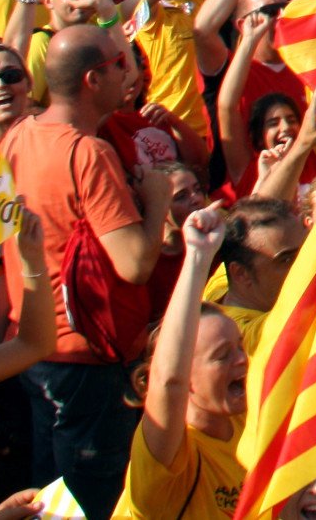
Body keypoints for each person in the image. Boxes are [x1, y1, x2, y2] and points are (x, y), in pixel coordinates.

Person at [8, 24, 174, 519]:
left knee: (49, 501)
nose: (130, 71)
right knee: (89, 504)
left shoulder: (20, 134)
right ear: (91, 79)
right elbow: (135, 263)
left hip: (35, 349)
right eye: (119, 64)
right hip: (88, 360)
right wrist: (158, 202)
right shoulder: (88, 153)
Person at [118, 205, 246, 520]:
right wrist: (198, 257)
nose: (243, 359)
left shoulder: (248, 425)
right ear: (185, 378)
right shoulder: (168, 455)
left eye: (240, 346)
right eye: (222, 355)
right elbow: (167, 382)